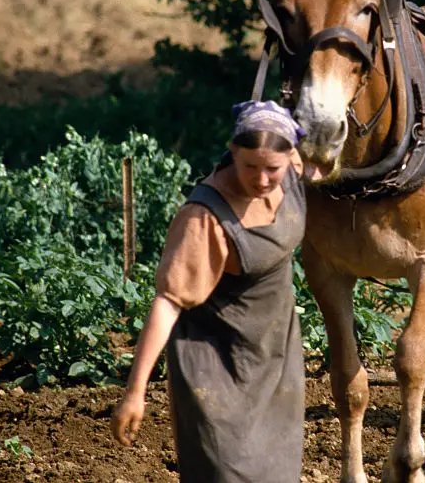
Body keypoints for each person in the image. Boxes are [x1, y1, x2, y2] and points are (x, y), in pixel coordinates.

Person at [111, 100, 308, 482]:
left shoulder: (294, 173)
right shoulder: (205, 218)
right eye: (250, 166)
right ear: (232, 151)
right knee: (227, 471)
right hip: (218, 369)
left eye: (273, 169)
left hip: (275, 356)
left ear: (291, 157)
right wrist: (136, 392)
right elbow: (167, 304)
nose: (263, 179)